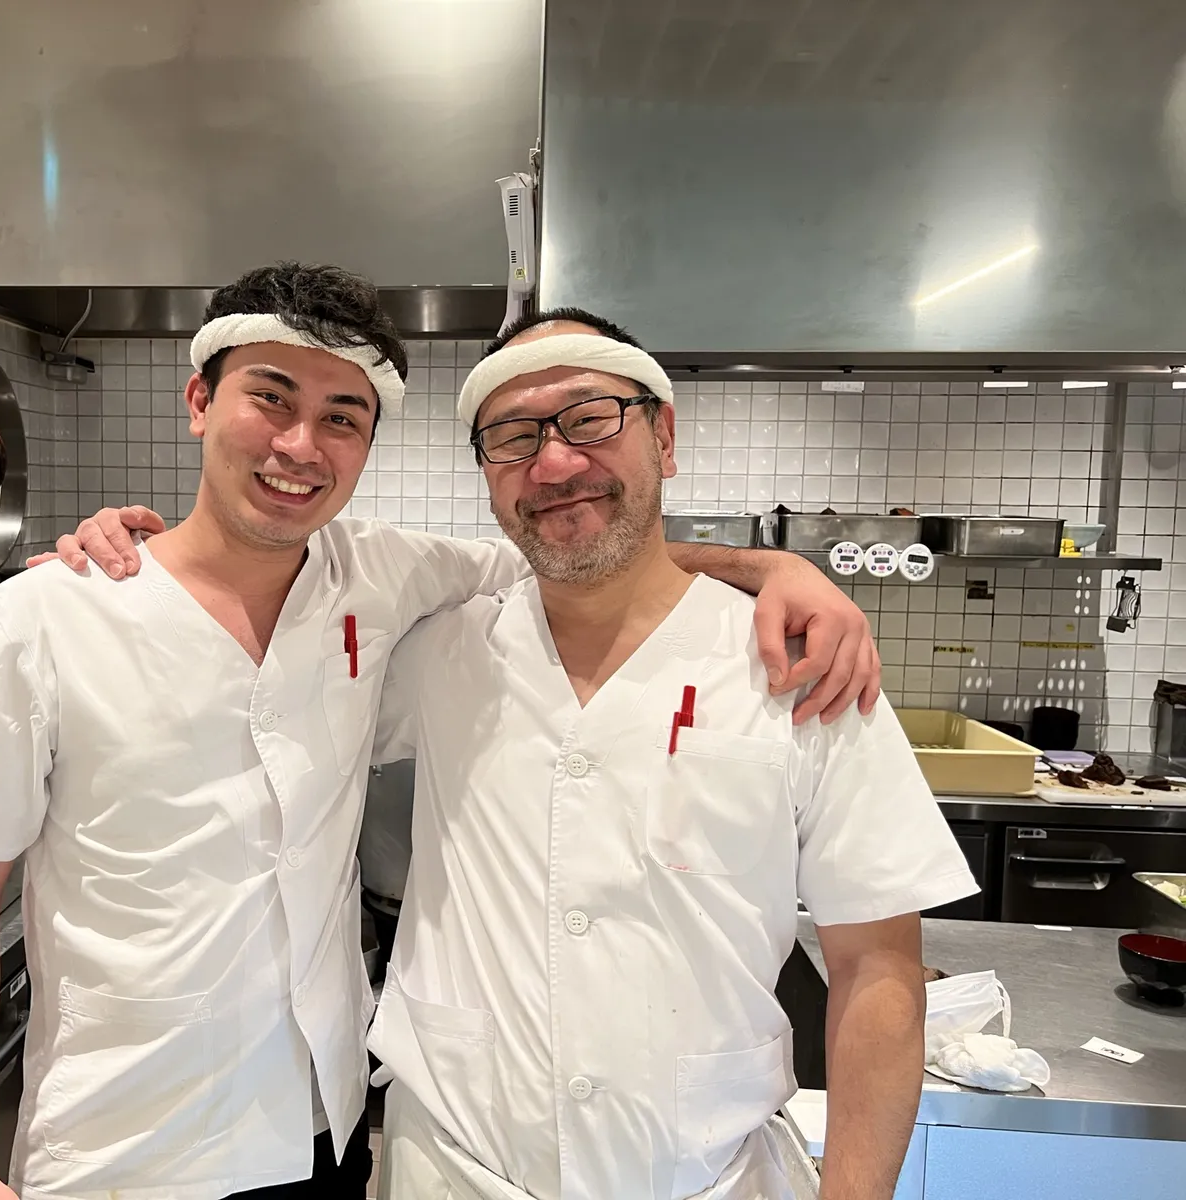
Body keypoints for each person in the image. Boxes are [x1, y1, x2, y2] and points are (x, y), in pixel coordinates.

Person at [0, 262, 879, 1200]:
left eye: (342, 418)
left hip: (314, 1131)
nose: (299, 446)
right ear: (199, 402)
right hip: (119, 1146)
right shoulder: (51, 617)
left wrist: (774, 568)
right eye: (269, 398)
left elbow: (582, 549)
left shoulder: (388, 576)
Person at [365, 310, 979, 1200]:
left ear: (665, 434)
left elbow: (877, 968)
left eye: (591, 417)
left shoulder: (805, 667)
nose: (555, 462)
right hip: (451, 1169)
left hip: (705, 1174)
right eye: (511, 436)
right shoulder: (436, 654)